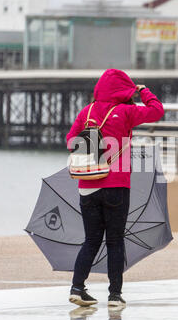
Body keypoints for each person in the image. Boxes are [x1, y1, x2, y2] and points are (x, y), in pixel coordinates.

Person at [66, 69, 164, 307]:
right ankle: (114, 295)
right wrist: (142, 91)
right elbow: (157, 111)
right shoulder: (126, 111)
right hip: (116, 185)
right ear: (125, 90)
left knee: (91, 240)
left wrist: (92, 145)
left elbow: (70, 141)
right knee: (115, 241)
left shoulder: (86, 112)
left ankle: (77, 288)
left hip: (87, 185)